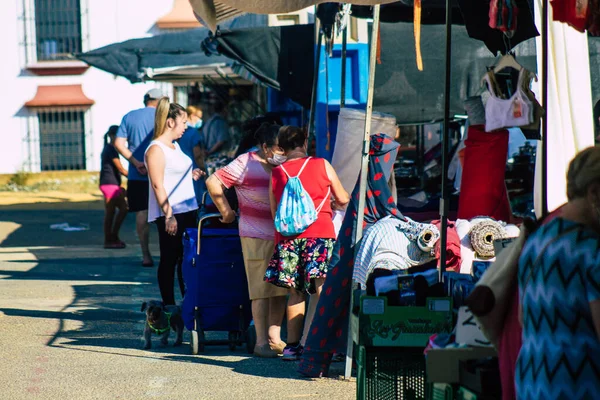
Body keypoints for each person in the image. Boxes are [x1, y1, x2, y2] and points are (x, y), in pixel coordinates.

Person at [516, 146, 600, 399]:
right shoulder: (591, 251)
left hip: (534, 384)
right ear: (594, 192)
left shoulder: (536, 241)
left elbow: (523, 318)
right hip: (579, 386)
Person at [205, 121, 289, 358]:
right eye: (278, 147)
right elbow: (213, 182)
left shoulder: (284, 164)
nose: (282, 152)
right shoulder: (245, 162)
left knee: (281, 288)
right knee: (260, 290)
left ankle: (275, 338)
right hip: (255, 234)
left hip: (283, 234)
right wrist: (226, 212)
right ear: (264, 146)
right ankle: (261, 341)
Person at [265, 126, 349, 361]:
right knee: (323, 289)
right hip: (320, 234)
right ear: (305, 142)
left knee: (296, 292)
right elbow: (343, 199)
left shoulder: (277, 172)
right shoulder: (322, 164)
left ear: (281, 147)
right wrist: (329, 203)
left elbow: (275, 214)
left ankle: (292, 348)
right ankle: (325, 344)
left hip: (289, 239)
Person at [145, 97, 204, 306]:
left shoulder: (174, 146)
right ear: (170, 122)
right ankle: (169, 305)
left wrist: (191, 174)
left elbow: (173, 173)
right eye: (184, 122)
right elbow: (158, 184)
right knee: (170, 259)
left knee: (186, 259)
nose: (186, 127)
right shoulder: (155, 149)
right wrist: (169, 215)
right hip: (171, 213)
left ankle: (187, 302)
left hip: (187, 209)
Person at [114, 88, 163, 267]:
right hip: (161, 173)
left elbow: (118, 143)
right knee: (165, 213)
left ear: (146, 100)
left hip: (137, 174)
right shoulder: (163, 117)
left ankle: (146, 255)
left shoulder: (130, 116)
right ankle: (167, 254)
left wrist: (135, 162)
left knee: (142, 214)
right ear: (160, 101)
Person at [99, 125, 128, 249]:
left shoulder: (110, 148)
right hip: (109, 184)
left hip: (111, 183)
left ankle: (113, 237)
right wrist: (136, 174)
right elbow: (120, 168)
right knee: (114, 211)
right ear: (112, 136)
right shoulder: (110, 149)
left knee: (121, 209)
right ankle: (110, 239)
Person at [178, 106, 207, 205]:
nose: (200, 120)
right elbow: (197, 155)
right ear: (191, 116)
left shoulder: (179, 133)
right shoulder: (193, 133)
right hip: (194, 170)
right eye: (198, 117)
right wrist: (204, 169)